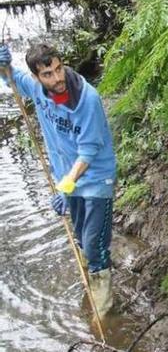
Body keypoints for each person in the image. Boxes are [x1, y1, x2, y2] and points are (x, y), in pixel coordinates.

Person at [0, 43, 116, 318]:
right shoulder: (37, 90)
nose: (57, 78)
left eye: (58, 69)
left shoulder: (87, 99)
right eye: (48, 74)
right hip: (67, 178)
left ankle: (104, 311)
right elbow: (12, 79)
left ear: (62, 64)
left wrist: (66, 187)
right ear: (38, 77)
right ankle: (93, 274)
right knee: (79, 234)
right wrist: (4, 66)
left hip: (97, 176)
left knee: (92, 242)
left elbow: (88, 151)